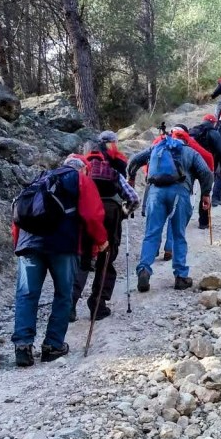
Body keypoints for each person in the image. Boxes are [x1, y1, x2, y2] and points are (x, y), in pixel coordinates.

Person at [11, 155, 108, 367]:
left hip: (29, 243)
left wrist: (18, 244)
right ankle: (52, 346)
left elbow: (20, 213)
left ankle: (23, 346)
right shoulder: (80, 179)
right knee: (63, 294)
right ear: (83, 169)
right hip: (62, 245)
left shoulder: (42, 178)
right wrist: (101, 241)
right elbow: (92, 215)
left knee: (26, 294)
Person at [126, 134, 214, 292]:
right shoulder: (190, 152)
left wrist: (131, 178)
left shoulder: (156, 148)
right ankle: (180, 276)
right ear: (185, 141)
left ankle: (144, 269)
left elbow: (134, 160)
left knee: (151, 233)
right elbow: (206, 172)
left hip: (155, 193)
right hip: (179, 194)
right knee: (178, 234)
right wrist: (205, 194)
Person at [71, 131, 140, 322]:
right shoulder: (113, 172)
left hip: (85, 217)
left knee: (83, 261)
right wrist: (125, 212)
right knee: (106, 260)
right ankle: (98, 305)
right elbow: (133, 198)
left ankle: (70, 305)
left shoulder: (83, 171)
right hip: (111, 214)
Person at [161, 125, 214, 260]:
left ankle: (150, 254)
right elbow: (207, 158)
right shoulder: (189, 144)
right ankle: (169, 248)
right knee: (175, 218)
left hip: (156, 186)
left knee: (155, 223)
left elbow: (141, 159)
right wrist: (206, 190)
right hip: (180, 187)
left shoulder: (161, 141)